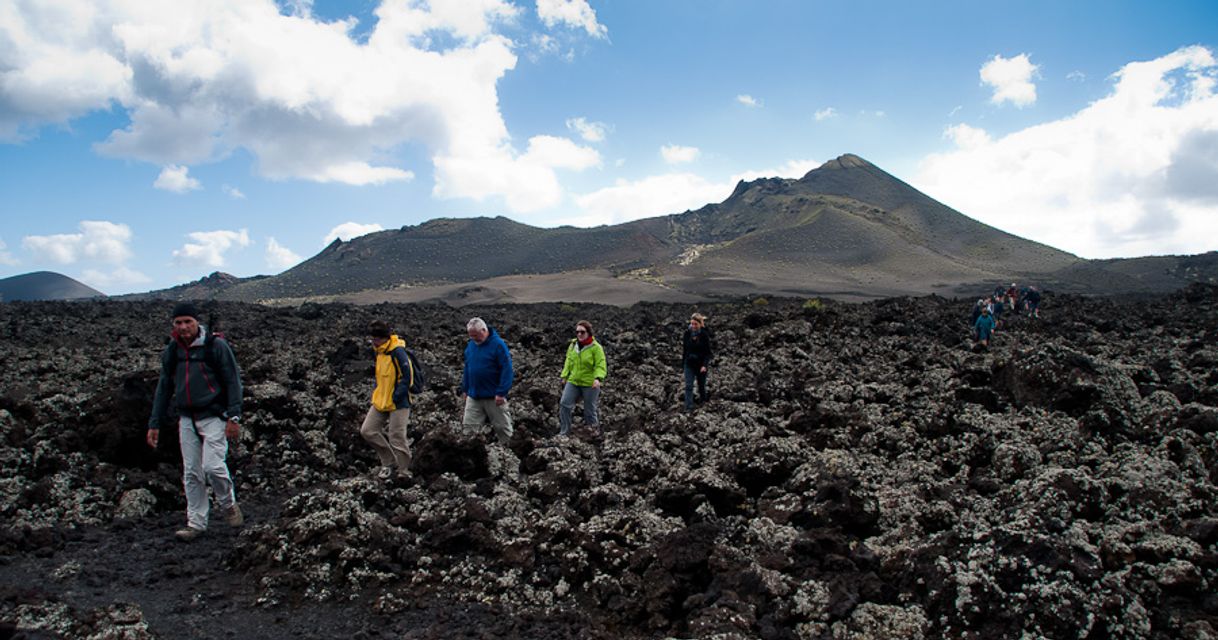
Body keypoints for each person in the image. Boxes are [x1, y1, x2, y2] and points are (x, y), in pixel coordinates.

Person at [146, 302, 243, 542]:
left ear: (196, 322)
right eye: (178, 323)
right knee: (191, 472)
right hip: (187, 417)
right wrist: (154, 422)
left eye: (188, 322)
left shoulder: (215, 346)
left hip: (214, 415)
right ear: (173, 325)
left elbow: (233, 380)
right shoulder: (173, 351)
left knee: (213, 467)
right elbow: (164, 386)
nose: (183, 327)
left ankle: (228, 504)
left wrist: (234, 416)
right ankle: (196, 523)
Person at [361, 320, 414, 479]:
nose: (374, 342)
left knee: (397, 437)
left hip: (398, 402)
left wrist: (397, 396)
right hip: (381, 399)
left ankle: (404, 471)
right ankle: (388, 461)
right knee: (367, 431)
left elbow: (407, 378)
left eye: (376, 339)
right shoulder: (380, 352)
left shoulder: (397, 352)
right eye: (372, 339)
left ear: (385, 337)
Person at [459, 317, 514, 444]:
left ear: (484, 330)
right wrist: (466, 389)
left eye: (476, 336)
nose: (474, 339)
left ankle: (509, 453)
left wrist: (501, 392)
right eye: (471, 336)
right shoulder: (471, 345)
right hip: (474, 395)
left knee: (503, 428)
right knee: (469, 428)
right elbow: (468, 367)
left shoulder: (498, 345)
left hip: (493, 396)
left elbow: (507, 369)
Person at [558, 320, 607, 437]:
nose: (579, 334)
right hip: (573, 381)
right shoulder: (573, 345)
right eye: (577, 332)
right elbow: (568, 361)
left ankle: (594, 432)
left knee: (589, 410)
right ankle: (564, 432)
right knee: (564, 404)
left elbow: (600, 364)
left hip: (590, 383)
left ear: (589, 333)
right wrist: (564, 376)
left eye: (582, 332)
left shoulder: (596, 348)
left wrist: (598, 378)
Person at [681, 312, 714, 411]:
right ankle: (688, 408)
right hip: (689, 363)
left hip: (700, 365)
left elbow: (708, 353)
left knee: (701, 386)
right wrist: (683, 364)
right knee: (688, 386)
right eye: (692, 324)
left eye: (696, 324)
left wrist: (704, 365)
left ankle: (703, 403)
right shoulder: (687, 334)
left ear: (700, 324)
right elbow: (685, 350)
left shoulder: (704, 335)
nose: (693, 326)